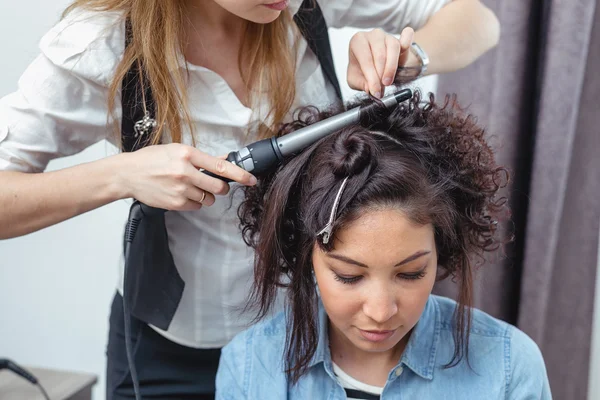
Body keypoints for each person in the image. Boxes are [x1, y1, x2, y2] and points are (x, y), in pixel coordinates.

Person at [0, 0, 500, 398]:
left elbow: (478, 20)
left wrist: (409, 57)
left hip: (300, 343)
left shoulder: (302, 7)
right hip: (170, 349)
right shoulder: (101, 43)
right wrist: (120, 175)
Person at [217, 90, 552, 399]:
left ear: (441, 249)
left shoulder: (509, 367)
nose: (380, 312)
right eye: (349, 276)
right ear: (305, 257)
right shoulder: (250, 368)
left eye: (411, 273)